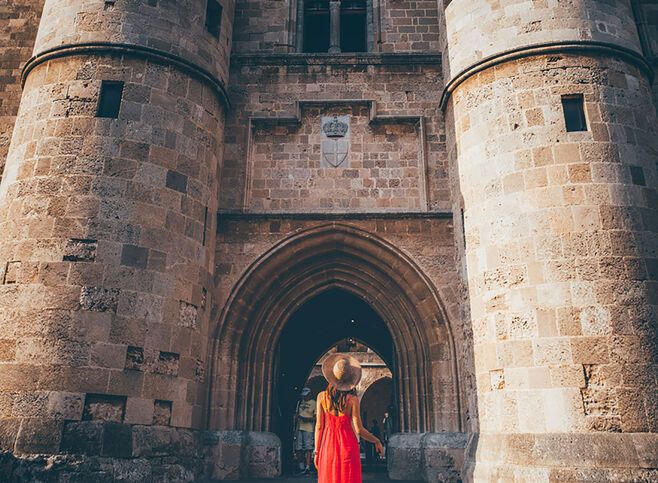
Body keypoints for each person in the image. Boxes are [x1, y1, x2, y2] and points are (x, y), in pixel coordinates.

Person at [314, 354, 384, 483]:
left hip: (327, 447)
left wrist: (317, 452)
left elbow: (319, 427)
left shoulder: (321, 397)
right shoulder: (352, 400)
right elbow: (359, 430)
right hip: (347, 446)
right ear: (350, 379)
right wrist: (376, 441)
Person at [294, 387, 316, 475]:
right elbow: (296, 413)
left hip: (308, 428)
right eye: (303, 396)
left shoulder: (314, 403)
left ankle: (307, 466)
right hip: (299, 427)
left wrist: (306, 419)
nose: (304, 397)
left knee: (308, 448)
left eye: (306, 396)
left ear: (309, 394)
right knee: (298, 448)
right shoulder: (299, 402)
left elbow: (315, 417)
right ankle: (301, 466)